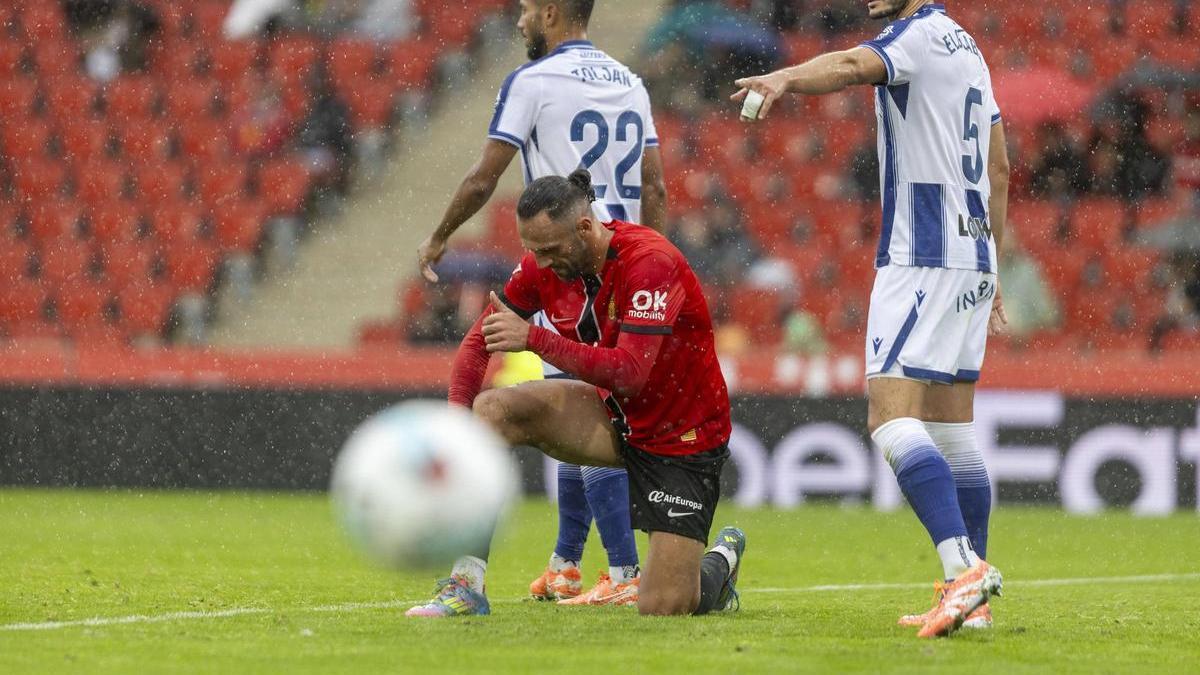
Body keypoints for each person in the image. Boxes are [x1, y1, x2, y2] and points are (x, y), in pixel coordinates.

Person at [732, 0, 1009, 638]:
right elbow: (998, 166)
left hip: (922, 252)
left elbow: (858, 63)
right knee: (952, 430)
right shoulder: (970, 49)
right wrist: (993, 267)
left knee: (888, 416)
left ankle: (963, 570)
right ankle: (975, 599)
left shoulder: (914, 37)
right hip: (973, 254)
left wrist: (784, 78)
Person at [413, 0, 669, 611]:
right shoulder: (629, 80)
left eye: (527, 9)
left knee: (588, 417)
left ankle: (626, 571)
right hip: (627, 262)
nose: (520, 19)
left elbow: (484, 176)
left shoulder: (532, 81)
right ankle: (569, 564)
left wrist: (440, 233)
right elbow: (656, 186)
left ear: (551, 12)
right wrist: (658, 260)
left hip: (575, 269)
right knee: (572, 414)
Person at [406, 171, 745, 618]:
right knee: (491, 411)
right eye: (532, 250)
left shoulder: (650, 262)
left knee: (665, 606)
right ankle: (466, 584)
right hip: (616, 418)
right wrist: (456, 429)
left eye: (549, 249)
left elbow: (630, 372)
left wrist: (534, 339)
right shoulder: (542, 266)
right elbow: (477, 343)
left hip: (681, 440)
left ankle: (720, 563)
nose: (540, 263)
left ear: (585, 228)